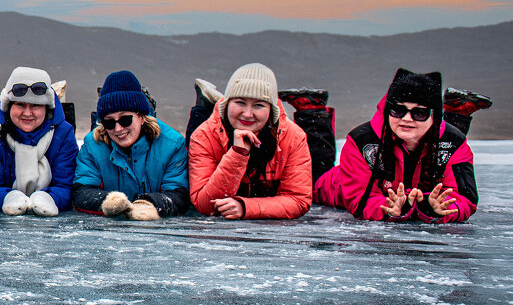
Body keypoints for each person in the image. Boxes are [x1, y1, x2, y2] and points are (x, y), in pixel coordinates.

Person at [300, 69, 479, 222]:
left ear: (434, 116)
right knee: (313, 181)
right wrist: (388, 208)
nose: (406, 118)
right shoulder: (362, 140)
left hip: (416, 184)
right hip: (335, 186)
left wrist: (436, 209)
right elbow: (359, 201)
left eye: (420, 112)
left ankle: (457, 110)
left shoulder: (454, 143)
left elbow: (464, 198)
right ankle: (311, 110)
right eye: (398, 110)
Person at [187, 63, 312, 220]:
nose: (247, 114)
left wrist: (246, 207)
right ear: (227, 104)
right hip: (215, 130)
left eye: (258, 105)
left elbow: (298, 200)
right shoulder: (203, 136)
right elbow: (206, 205)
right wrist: (238, 154)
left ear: (270, 110)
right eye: (240, 102)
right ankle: (205, 104)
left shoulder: (293, 137)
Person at [72, 71, 189, 220]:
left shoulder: (172, 144)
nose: (118, 128)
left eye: (125, 119)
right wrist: (110, 202)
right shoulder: (92, 145)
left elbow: (179, 196)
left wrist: (150, 205)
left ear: (141, 117)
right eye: (109, 122)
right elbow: (81, 192)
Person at [0, 66, 78, 216]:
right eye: (20, 104)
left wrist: (50, 198)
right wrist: (7, 198)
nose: (27, 113)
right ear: (8, 104)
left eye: (36, 105)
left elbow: (66, 185)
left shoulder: (63, 133)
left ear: (46, 107)